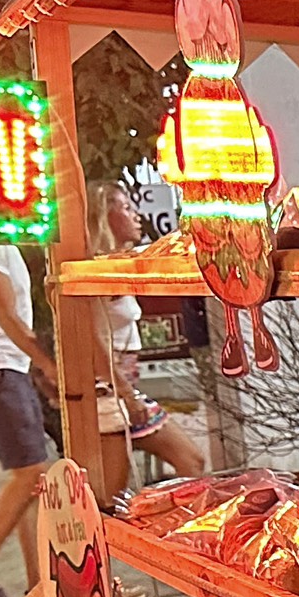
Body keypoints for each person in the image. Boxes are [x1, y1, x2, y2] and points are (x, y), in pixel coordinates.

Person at [90, 183, 203, 485]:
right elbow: (92, 340)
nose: (136, 215)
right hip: (108, 392)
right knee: (111, 499)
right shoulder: (97, 270)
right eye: (126, 208)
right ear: (105, 215)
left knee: (190, 461)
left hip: (120, 388)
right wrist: (127, 395)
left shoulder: (117, 264)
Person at [0, 241, 54, 597]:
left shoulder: (2, 240)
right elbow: (6, 314)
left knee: (33, 480)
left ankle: (38, 584)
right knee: (30, 474)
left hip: (6, 367)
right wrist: (46, 363)